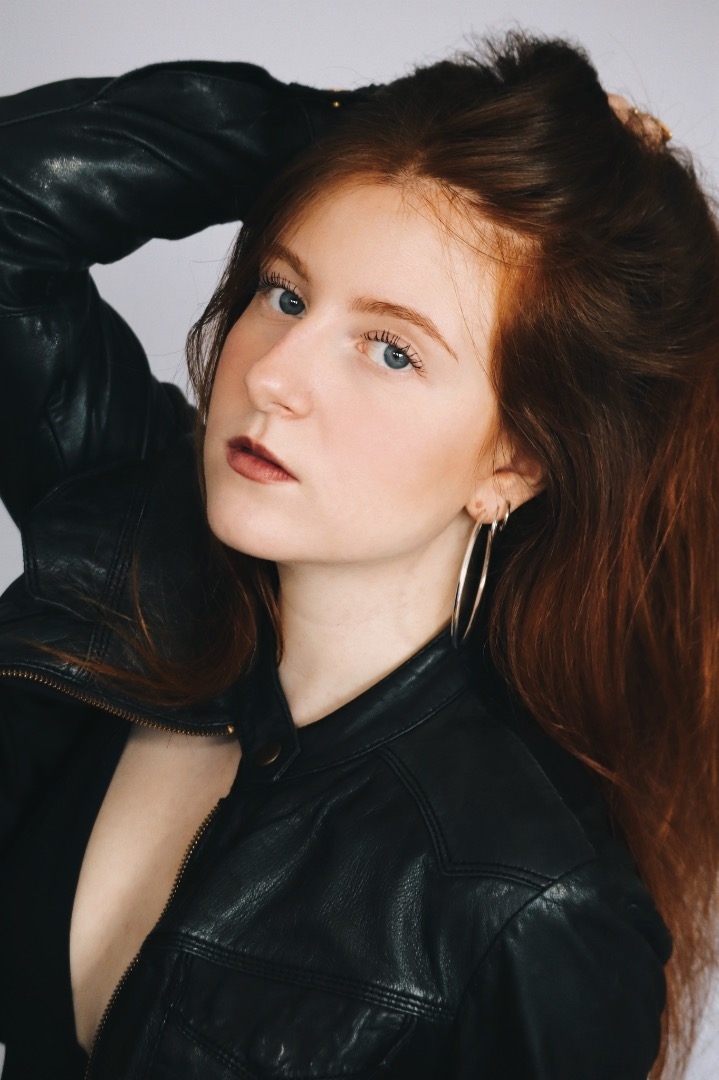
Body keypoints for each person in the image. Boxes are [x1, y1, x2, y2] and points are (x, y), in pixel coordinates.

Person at [0, 31, 717, 1080]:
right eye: (285, 294)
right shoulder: (129, 547)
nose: (274, 376)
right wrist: (356, 127)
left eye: (391, 350)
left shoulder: (529, 908)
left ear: (514, 463)